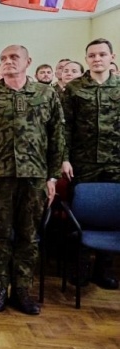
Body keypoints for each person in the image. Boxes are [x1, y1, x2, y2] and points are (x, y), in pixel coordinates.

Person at [0, 44, 64, 315]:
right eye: (4, 58)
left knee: (28, 237)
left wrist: (52, 176)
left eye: (14, 57)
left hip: (34, 177)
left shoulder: (46, 94)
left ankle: (22, 290)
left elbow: (57, 137)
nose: (8, 62)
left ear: (28, 61)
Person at [61, 38, 120, 289]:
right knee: (81, 215)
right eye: (92, 55)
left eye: (102, 54)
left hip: (115, 161)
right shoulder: (74, 89)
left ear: (111, 57)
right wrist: (64, 157)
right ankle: (80, 267)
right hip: (82, 162)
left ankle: (104, 269)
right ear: (87, 59)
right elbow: (64, 128)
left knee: (111, 214)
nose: (97, 59)